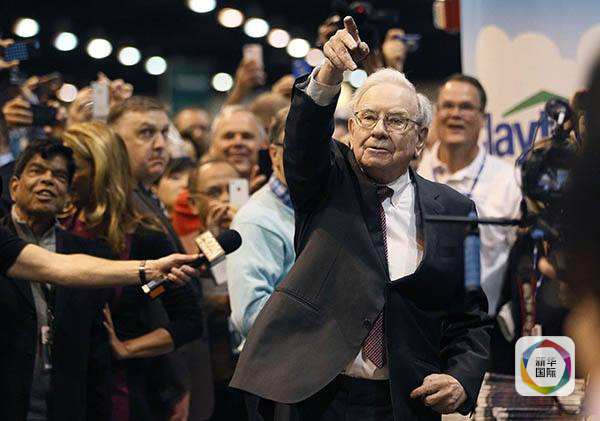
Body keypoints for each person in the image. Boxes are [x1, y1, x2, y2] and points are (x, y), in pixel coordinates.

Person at [231, 17, 491, 421]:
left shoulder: (456, 209)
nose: (379, 131)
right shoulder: (325, 180)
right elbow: (303, 142)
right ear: (350, 128)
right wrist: (328, 73)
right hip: (318, 397)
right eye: (368, 118)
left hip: (407, 400)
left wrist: (461, 378)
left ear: (421, 138)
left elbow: (470, 315)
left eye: (396, 121)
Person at [61, 121, 204, 421]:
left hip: (120, 390)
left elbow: (189, 320)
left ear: (99, 169)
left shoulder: (144, 236)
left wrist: (127, 348)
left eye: (71, 167)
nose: (62, 176)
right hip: (64, 384)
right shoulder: (60, 224)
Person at [0, 138, 114, 421]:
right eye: (37, 171)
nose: (48, 180)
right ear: (14, 186)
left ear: (67, 197)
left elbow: (97, 354)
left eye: (60, 176)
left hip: (64, 405)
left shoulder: (89, 255)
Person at [417, 74, 522, 315]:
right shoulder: (412, 172)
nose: (455, 114)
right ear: (436, 113)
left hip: (481, 323)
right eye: (448, 105)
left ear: (482, 118)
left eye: (465, 107)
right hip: (417, 322)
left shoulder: (509, 181)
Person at [227, 106, 295, 339]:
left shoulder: (327, 208)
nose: (308, 154)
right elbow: (251, 316)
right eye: (296, 146)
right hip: (285, 358)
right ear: (274, 154)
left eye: (318, 145)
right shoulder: (255, 220)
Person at [207, 105, 267, 192]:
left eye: (246, 136)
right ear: (212, 144)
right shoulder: (194, 189)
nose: (238, 143)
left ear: (264, 144)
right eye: (229, 136)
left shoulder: (282, 188)